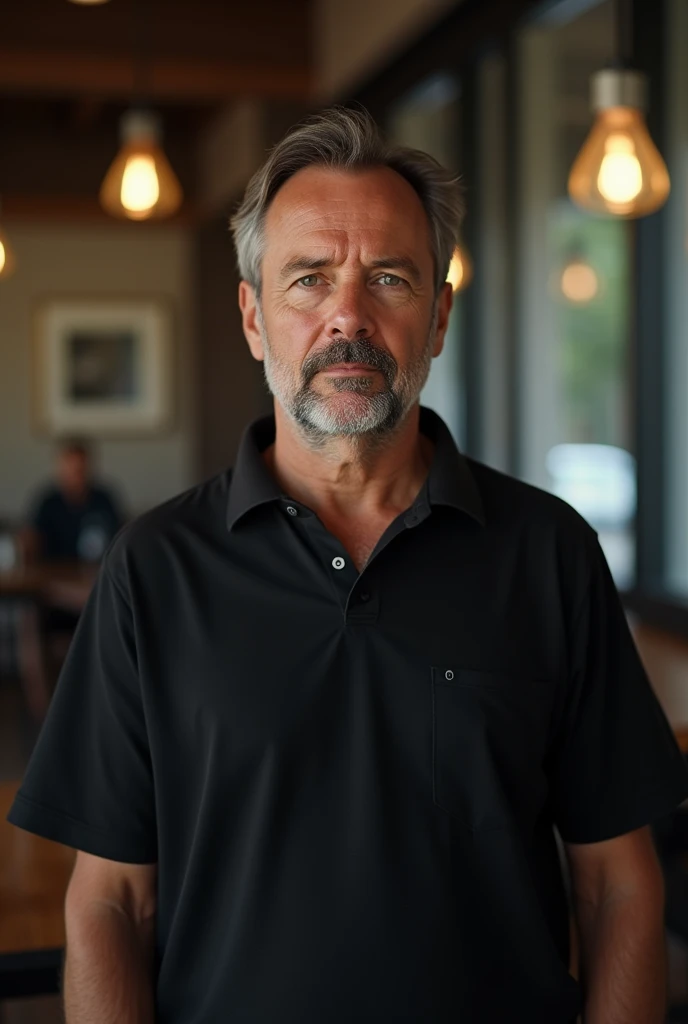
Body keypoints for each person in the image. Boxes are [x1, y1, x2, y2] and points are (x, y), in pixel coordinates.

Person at [6, 107, 688, 1024]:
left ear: (439, 315)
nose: (347, 317)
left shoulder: (549, 552)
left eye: (391, 278)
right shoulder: (155, 568)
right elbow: (108, 902)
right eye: (308, 280)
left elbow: (620, 887)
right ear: (254, 317)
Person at [21, 439, 125, 565]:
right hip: (54, 571)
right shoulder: (48, 502)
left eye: (80, 469)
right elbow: (32, 540)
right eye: (71, 469)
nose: (76, 475)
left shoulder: (104, 499)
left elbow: (120, 539)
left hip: (97, 571)